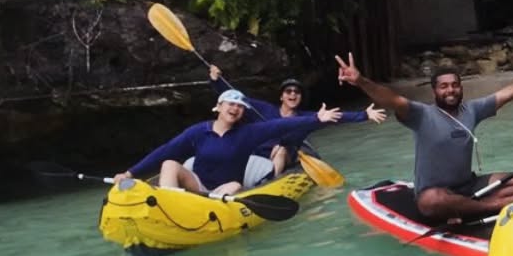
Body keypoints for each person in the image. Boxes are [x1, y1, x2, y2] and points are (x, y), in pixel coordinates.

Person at [334, 49, 513, 222]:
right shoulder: (421, 114)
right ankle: (492, 206)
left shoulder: (472, 110)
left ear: (461, 88)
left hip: (468, 186)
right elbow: (390, 99)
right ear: (435, 91)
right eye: (443, 86)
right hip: (436, 193)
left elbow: (509, 93)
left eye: (454, 85)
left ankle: (471, 205)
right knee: (431, 201)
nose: (450, 90)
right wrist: (361, 81)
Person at [112, 90, 348, 197]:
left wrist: (317, 118)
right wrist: (130, 173)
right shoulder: (198, 131)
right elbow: (164, 150)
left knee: (234, 185)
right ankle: (169, 202)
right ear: (218, 107)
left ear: (243, 112)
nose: (235, 108)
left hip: (225, 192)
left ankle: (183, 205)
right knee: (169, 163)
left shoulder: (249, 133)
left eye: (240, 106)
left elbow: (282, 126)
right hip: (198, 185)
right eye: (230, 104)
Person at [210, 67, 386, 173]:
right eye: (288, 91)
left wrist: (365, 115)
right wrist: (217, 81)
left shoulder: (307, 118)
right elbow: (237, 99)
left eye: (297, 92)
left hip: (284, 156)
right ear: (281, 96)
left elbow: (337, 118)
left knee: (280, 149)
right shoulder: (264, 109)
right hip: (258, 155)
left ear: (301, 97)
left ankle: (270, 180)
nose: (293, 94)